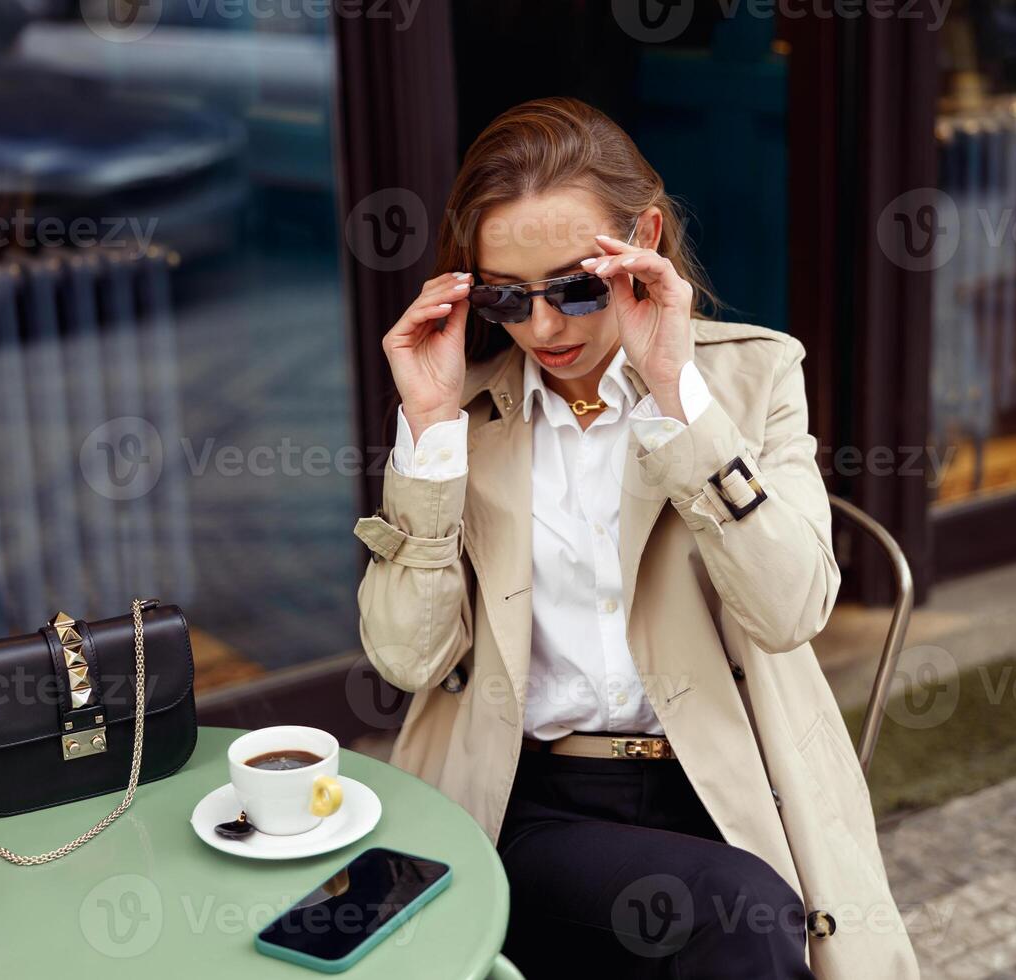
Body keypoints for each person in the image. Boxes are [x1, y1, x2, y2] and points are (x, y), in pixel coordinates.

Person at [354, 97, 918, 980]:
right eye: (507, 296)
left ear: (642, 241)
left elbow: (790, 610)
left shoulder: (753, 375)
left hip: (729, 777)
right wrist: (427, 431)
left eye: (575, 287)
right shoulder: (460, 413)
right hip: (529, 801)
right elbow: (405, 659)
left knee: (747, 914)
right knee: (742, 923)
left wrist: (676, 401)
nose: (543, 329)